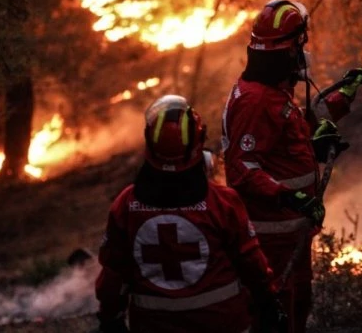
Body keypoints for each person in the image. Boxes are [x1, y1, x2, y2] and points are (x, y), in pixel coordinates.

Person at [222, 0, 362, 333]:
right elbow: (242, 167)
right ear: (289, 49)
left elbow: (295, 128)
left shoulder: (272, 90)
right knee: (278, 316)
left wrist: (343, 97)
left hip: (292, 230)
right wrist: (288, 196)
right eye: (300, 43)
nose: (304, 51)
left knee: (299, 306)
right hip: (272, 238)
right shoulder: (257, 100)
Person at [95, 95, 287, 333]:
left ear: (149, 144)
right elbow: (252, 266)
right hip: (223, 323)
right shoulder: (223, 203)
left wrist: (110, 320)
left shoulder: (126, 206)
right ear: (199, 145)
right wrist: (269, 305)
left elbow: (113, 275)